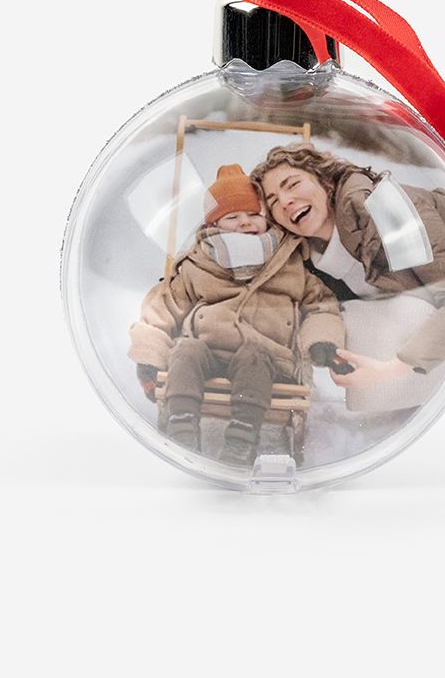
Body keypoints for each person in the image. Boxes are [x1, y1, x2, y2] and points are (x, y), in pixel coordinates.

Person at [129, 164, 346, 466]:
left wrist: (322, 341)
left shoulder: (288, 262)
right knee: (187, 350)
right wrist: (149, 358)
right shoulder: (198, 264)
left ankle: (242, 439)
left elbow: (321, 305)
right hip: (208, 354)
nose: (245, 222)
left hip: (268, 358)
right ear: (214, 224)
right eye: (232, 217)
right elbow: (161, 307)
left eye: (253, 214)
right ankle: (182, 426)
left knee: (253, 355)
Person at [251, 145, 445, 403]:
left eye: (293, 184)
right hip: (433, 339)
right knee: (352, 314)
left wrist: (390, 370)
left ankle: (410, 407)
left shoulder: (387, 209)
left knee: (404, 309)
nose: (285, 201)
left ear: (325, 180)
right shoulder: (309, 257)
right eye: (273, 202)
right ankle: (391, 413)